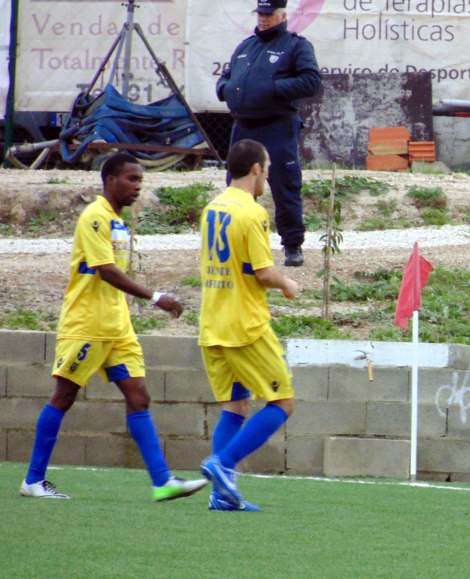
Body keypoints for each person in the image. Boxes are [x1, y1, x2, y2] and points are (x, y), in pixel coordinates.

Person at [19, 153, 208, 503]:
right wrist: (156, 297)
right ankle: (33, 480)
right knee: (64, 396)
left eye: (140, 180)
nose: (138, 186)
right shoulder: (95, 216)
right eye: (132, 179)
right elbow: (105, 270)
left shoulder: (118, 221)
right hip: (87, 324)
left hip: (117, 327)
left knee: (139, 396)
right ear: (110, 180)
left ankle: (163, 482)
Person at [198, 139, 300, 511]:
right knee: (283, 402)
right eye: (267, 170)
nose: (267, 177)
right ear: (256, 169)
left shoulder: (212, 208)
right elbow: (263, 272)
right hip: (245, 326)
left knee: (236, 406)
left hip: (212, 323)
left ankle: (221, 495)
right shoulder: (252, 212)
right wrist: (287, 283)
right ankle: (223, 464)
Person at [216, 0, 322, 268]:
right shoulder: (246, 46)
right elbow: (226, 76)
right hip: (243, 127)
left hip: (277, 126)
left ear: (282, 15)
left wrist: (273, 88)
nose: (263, 19)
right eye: (260, 14)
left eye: (268, 14)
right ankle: (240, 244)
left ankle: (292, 245)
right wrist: (224, 89)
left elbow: (311, 81)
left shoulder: (296, 46)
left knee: (285, 185)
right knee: (238, 187)